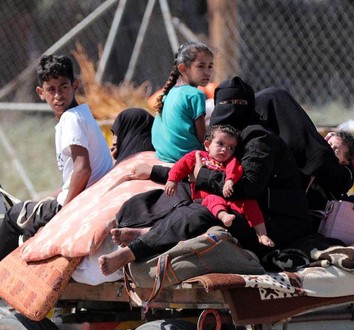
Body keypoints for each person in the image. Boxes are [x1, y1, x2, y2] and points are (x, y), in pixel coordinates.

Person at [106, 76, 312, 270]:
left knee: (201, 212)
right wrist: (156, 172)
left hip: (269, 221)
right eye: (223, 104)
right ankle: (148, 231)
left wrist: (201, 175)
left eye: (238, 104)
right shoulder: (229, 136)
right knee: (179, 192)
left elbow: (246, 188)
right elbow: (195, 168)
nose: (230, 110)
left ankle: (133, 252)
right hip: (235, 202)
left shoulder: (259, 140)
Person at [0, 54, 112, 296]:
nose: (58, 95)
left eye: (63, 87)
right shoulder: (81, 115)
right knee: (31, 210)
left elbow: (83, 169)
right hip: (91, 198)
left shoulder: (71, 120)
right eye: (51, 89)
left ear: (74, 86)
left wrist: (64, 211)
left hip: (83, 205)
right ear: (40, 92)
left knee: (14, 216)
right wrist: (57, 194)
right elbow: (77, 172)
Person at [150, 41, 215, 163]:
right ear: (183, 68)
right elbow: (202, 138)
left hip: (162, 154)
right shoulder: (196, 95)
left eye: (210, 66)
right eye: (201, 66)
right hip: (185, 157)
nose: (207, 72)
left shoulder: (170, 91)